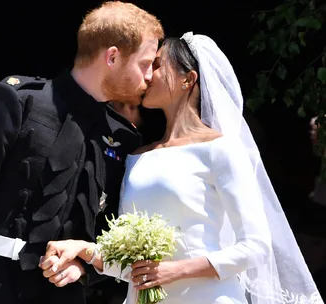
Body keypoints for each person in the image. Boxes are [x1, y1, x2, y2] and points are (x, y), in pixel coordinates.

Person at [40, 32, 323, 303]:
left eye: (158, 65)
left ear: (188, 79)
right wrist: (84, 250)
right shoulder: (137, 157)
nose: (147, 75)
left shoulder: (220, 149)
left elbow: (256, 247)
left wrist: (175, 270)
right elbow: (131, 267)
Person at [0, 1, 164, 304]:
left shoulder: (123, 138)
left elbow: (111, 234)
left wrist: (84, 267)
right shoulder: (16, 101)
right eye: (145, 63)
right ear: (112, 56)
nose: (151, 75)